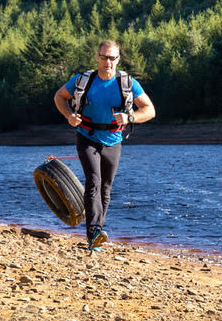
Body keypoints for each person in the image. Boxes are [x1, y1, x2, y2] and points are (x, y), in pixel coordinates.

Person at [53, 40, 156, 251]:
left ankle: (97, 232)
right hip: (86, 136)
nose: (107, 62)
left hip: (113, 140)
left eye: (112, 58)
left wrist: (130, 118)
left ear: (118, 59)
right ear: (97, 57)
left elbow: (150, 110)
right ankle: (95, 233)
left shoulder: (127, 83)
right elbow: (59, 97)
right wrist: (69, 116)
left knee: (106, 189)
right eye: (104, 57)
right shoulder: (83, 80)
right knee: (94, 182)